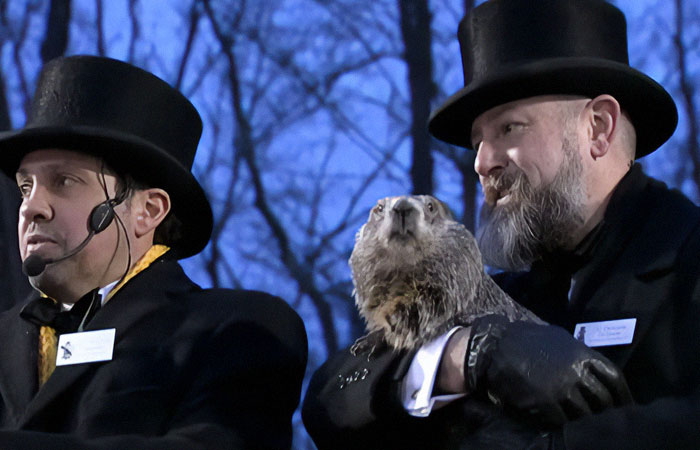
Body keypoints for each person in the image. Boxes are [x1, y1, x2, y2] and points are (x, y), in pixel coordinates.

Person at [302, 0, 700, 449]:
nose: (482, 163)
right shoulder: (505, 299)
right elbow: (331, 400)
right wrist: (469, 354)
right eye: (477, 143)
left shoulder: (685, 258)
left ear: (598, 128)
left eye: (509, 129)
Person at [0, 55, 307, 449]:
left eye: (64, 181)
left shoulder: (238, 328)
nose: (31, 207)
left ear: (148, 211)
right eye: (26, 187)